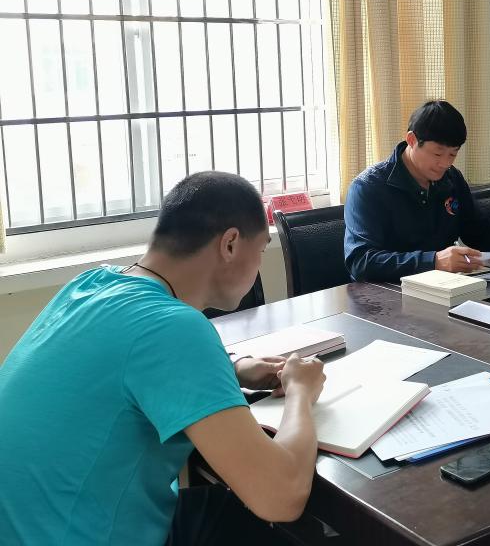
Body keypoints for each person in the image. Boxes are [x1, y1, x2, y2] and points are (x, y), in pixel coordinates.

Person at [0, 171, 327, 545]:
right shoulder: (174, 327)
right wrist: (300, 391)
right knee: (297, 527)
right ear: (230, 244)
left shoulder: (91, 284)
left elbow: (122, 363)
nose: (258, 268)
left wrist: (234, 368)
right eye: (261, 250)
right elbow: (280, 496)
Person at [344, 100, 490, 282]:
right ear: (412, 140)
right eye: (437, 154)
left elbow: (479, 226)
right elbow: (360, 261)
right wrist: (433, 261)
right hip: (387, 292)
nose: (445, 163)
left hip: (446, 286)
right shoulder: (368, 187)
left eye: (453, 154)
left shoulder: (451, 178)